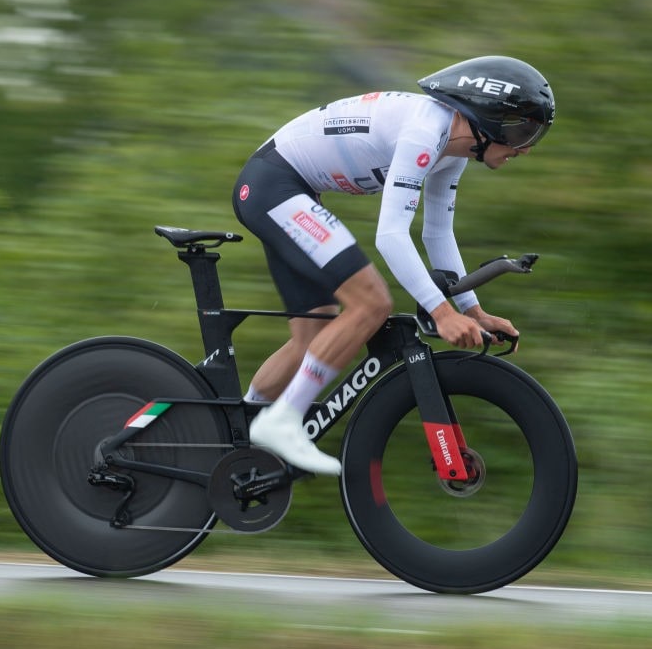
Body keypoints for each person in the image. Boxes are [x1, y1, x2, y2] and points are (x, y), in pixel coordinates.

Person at [232, 55, 555, 477]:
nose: (525, 148)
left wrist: (472, 310)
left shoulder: (451, 150)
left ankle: (235, 435)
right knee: (371, 304)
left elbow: (437, 235)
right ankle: (282, 421)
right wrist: (442, 314)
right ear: (487, 118)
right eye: (522, 131)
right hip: (273, 186)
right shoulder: (425, 132)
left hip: (285, 189)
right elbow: (391, 236)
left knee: (314, 335)